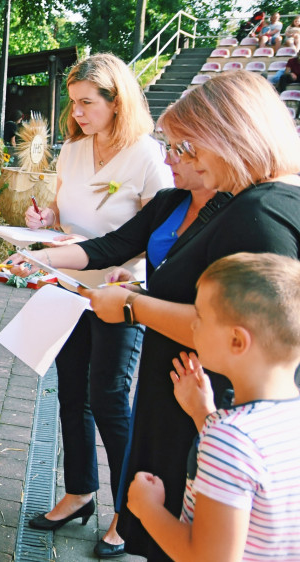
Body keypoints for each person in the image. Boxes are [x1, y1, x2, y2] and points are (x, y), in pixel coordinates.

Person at [77, 70, 300, 561]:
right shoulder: (265, 202)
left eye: (189, 148)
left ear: (234, 138)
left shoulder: (258, 214)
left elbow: (247, 326)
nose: (179, 160)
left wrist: (134, 307)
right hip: (199, 402)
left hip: (207, 400)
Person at [23, 54, 172, 557]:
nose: (78, 112)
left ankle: (128, 513)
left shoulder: (149, 158)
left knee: (109, 397)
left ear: (117, 101)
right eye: (74, 103)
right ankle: (80, 491)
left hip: (121, 295)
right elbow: (65, 213)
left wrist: (120, 271)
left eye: (88, 103)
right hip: (70, 286)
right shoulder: (72, 149)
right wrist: (44, 221)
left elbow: (157, 234)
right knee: (71, 393)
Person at [126, 252, 300, 561]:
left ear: (236, 341)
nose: (192, 326)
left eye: (200, 317)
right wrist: (202, 414)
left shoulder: (229, 439)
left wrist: (147, 508)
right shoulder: (279, 419)